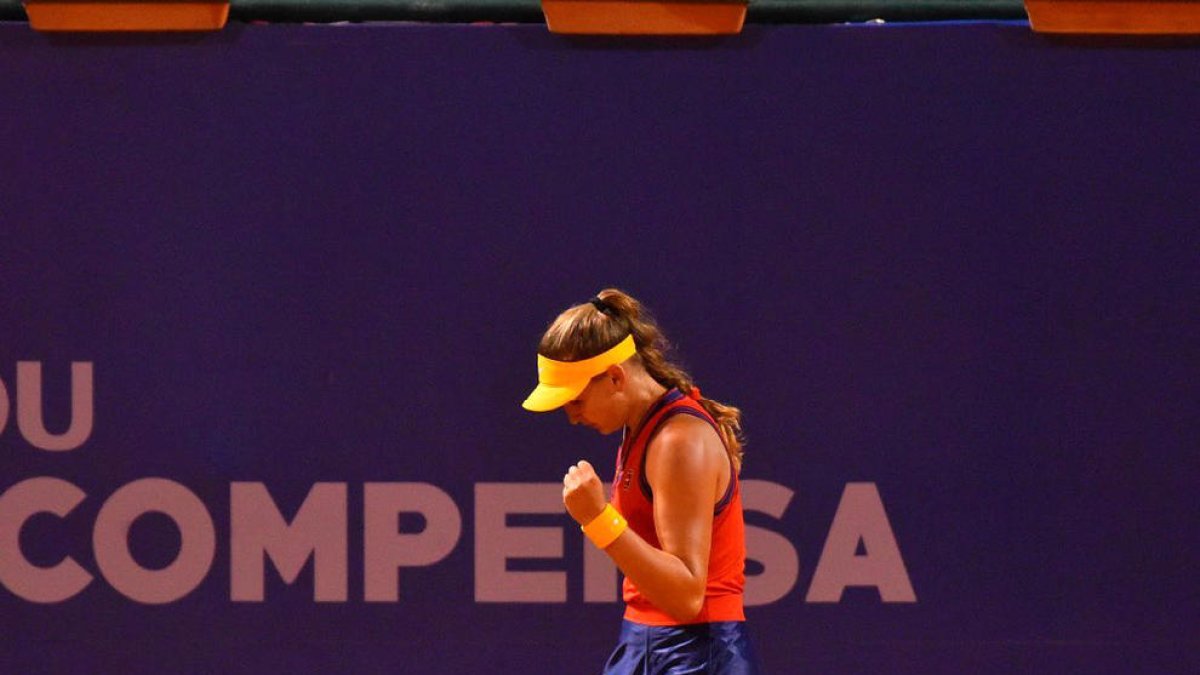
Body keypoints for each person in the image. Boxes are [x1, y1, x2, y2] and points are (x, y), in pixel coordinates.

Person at [522, 289, 761, 674]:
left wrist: (598, 520)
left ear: (615, 377)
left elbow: (686, 596)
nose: (571, 416)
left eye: (576, 401)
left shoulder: (678, 441)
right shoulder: (640, 428)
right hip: (646, 640)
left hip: (697, 653)